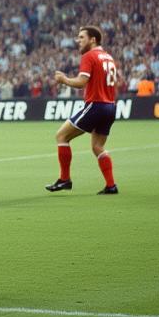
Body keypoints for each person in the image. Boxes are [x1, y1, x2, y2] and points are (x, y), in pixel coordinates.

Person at [45, 25, 121, 195]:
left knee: (61, 136)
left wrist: (64, 79)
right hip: (110, 106)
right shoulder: (108, 57)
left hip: (96, 105)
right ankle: (111, 185)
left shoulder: (90, 56)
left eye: (81, 37)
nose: (78, 41)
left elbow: (81, 82)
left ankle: (65, 179)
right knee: (97, 147)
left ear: (93, 39)